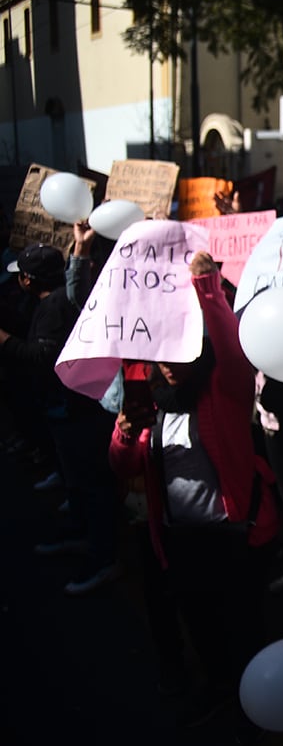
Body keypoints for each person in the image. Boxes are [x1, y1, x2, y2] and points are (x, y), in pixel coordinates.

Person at [108, 251, 281, 724]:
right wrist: (125, 431)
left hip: (231, 537)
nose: (169, 367)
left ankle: (256, 708)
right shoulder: (148, 406)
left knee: (243, 628)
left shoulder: (223, 389)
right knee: (201, 626)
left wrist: (207, 286)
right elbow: (123, 466)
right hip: (179, 541)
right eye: (159, 358)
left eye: (178, 355)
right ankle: (221, 688)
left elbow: (232, 350)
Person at [1, 242, 120, 594]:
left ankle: (104, 556)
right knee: (79, 481)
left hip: (75, 410)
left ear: (27, 280)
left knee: (94, 486)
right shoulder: (50, 303)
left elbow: (44, 356)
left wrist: (4, 340)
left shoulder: (56, 307)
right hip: (65, 410)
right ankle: (82, 534)